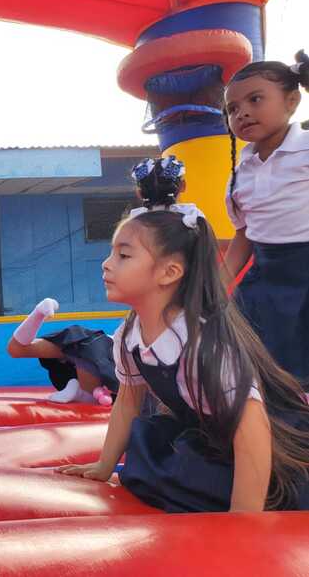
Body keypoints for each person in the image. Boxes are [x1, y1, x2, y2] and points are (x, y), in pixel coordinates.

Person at [58, 196, 309, 512]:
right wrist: (104, 466)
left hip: (269, 448)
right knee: (150, 455)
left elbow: (253, 429)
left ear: (169, 272)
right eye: (112, 252)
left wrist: (244, 516)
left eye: (123, 255)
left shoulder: (200, 345)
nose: (106, 264)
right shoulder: (131, 332)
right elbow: (128, 401)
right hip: (214, 437)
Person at [7, 157, 187, 405]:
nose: (106, 265)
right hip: (107, 348)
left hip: (105, 347)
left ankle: (84, 386)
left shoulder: (144, 227)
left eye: (123, 256)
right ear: (183, 186)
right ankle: (86, 388)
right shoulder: (128, 341)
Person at [222, 49, 309, 382]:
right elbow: (245, 233)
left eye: (255, 99)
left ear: (292, 101)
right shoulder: (240, 174)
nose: (242, 112)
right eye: (232, 109)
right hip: (265, 279)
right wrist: (219, 283)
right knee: (250, 359)